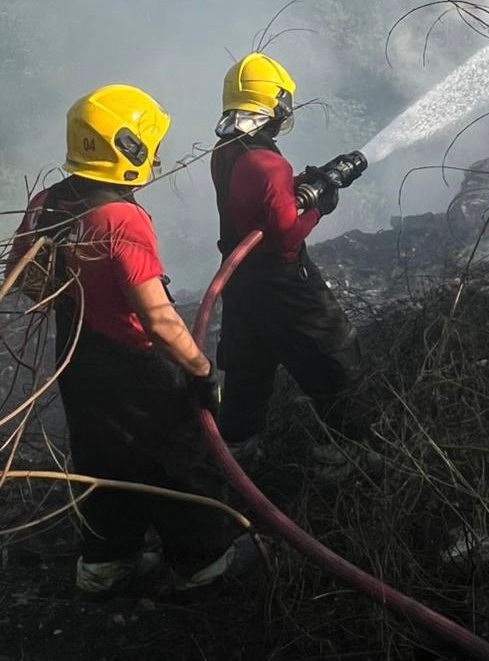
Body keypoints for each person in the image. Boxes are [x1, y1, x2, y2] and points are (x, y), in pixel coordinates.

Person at [7, 85, 254, 595]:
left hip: (77, 360)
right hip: (135, 367)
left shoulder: (47, 202)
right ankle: (203, 563)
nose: (158, 154)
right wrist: (201, 371)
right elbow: (158, 319)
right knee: (178, 459)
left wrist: (75, 281)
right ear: (127, 149)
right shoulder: (121, 219)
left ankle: (104, 566)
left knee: (101, 458)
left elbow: (25, 279)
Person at [210, 53, 370, 479]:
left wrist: (301, 186)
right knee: (335, 354)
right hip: (283, 284)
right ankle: (344, 455)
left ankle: (238, 458)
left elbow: (254, 205)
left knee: (248, 368)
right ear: (274, 105)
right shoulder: (267, 163)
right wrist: (321, 206)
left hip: (240, 284)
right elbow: (284, 238)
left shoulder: (225, 149)